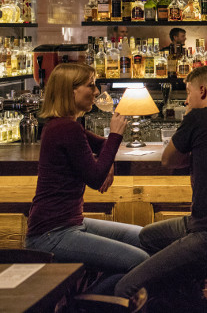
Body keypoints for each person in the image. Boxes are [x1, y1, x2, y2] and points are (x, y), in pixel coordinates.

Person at [114, 65, 207, 312]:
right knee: (147, 236)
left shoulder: (199, 117)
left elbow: (169, 159)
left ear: (202, 91)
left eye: (189, 93)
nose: (186, 100)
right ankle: (193, 299)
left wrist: (189, 120)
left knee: (125, 289)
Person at [26, 63, 148, 293]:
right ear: (70, 90)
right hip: (52, 234)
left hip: (70, 224)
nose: (95, 91)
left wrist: (108, 156)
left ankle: (90, 296)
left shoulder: (65, 125)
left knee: (143, 237)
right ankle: (87, 304)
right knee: (140, 261)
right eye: (90, 85)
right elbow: (95, 177)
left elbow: (103, 148)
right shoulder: (65, 128)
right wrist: (115, 133)